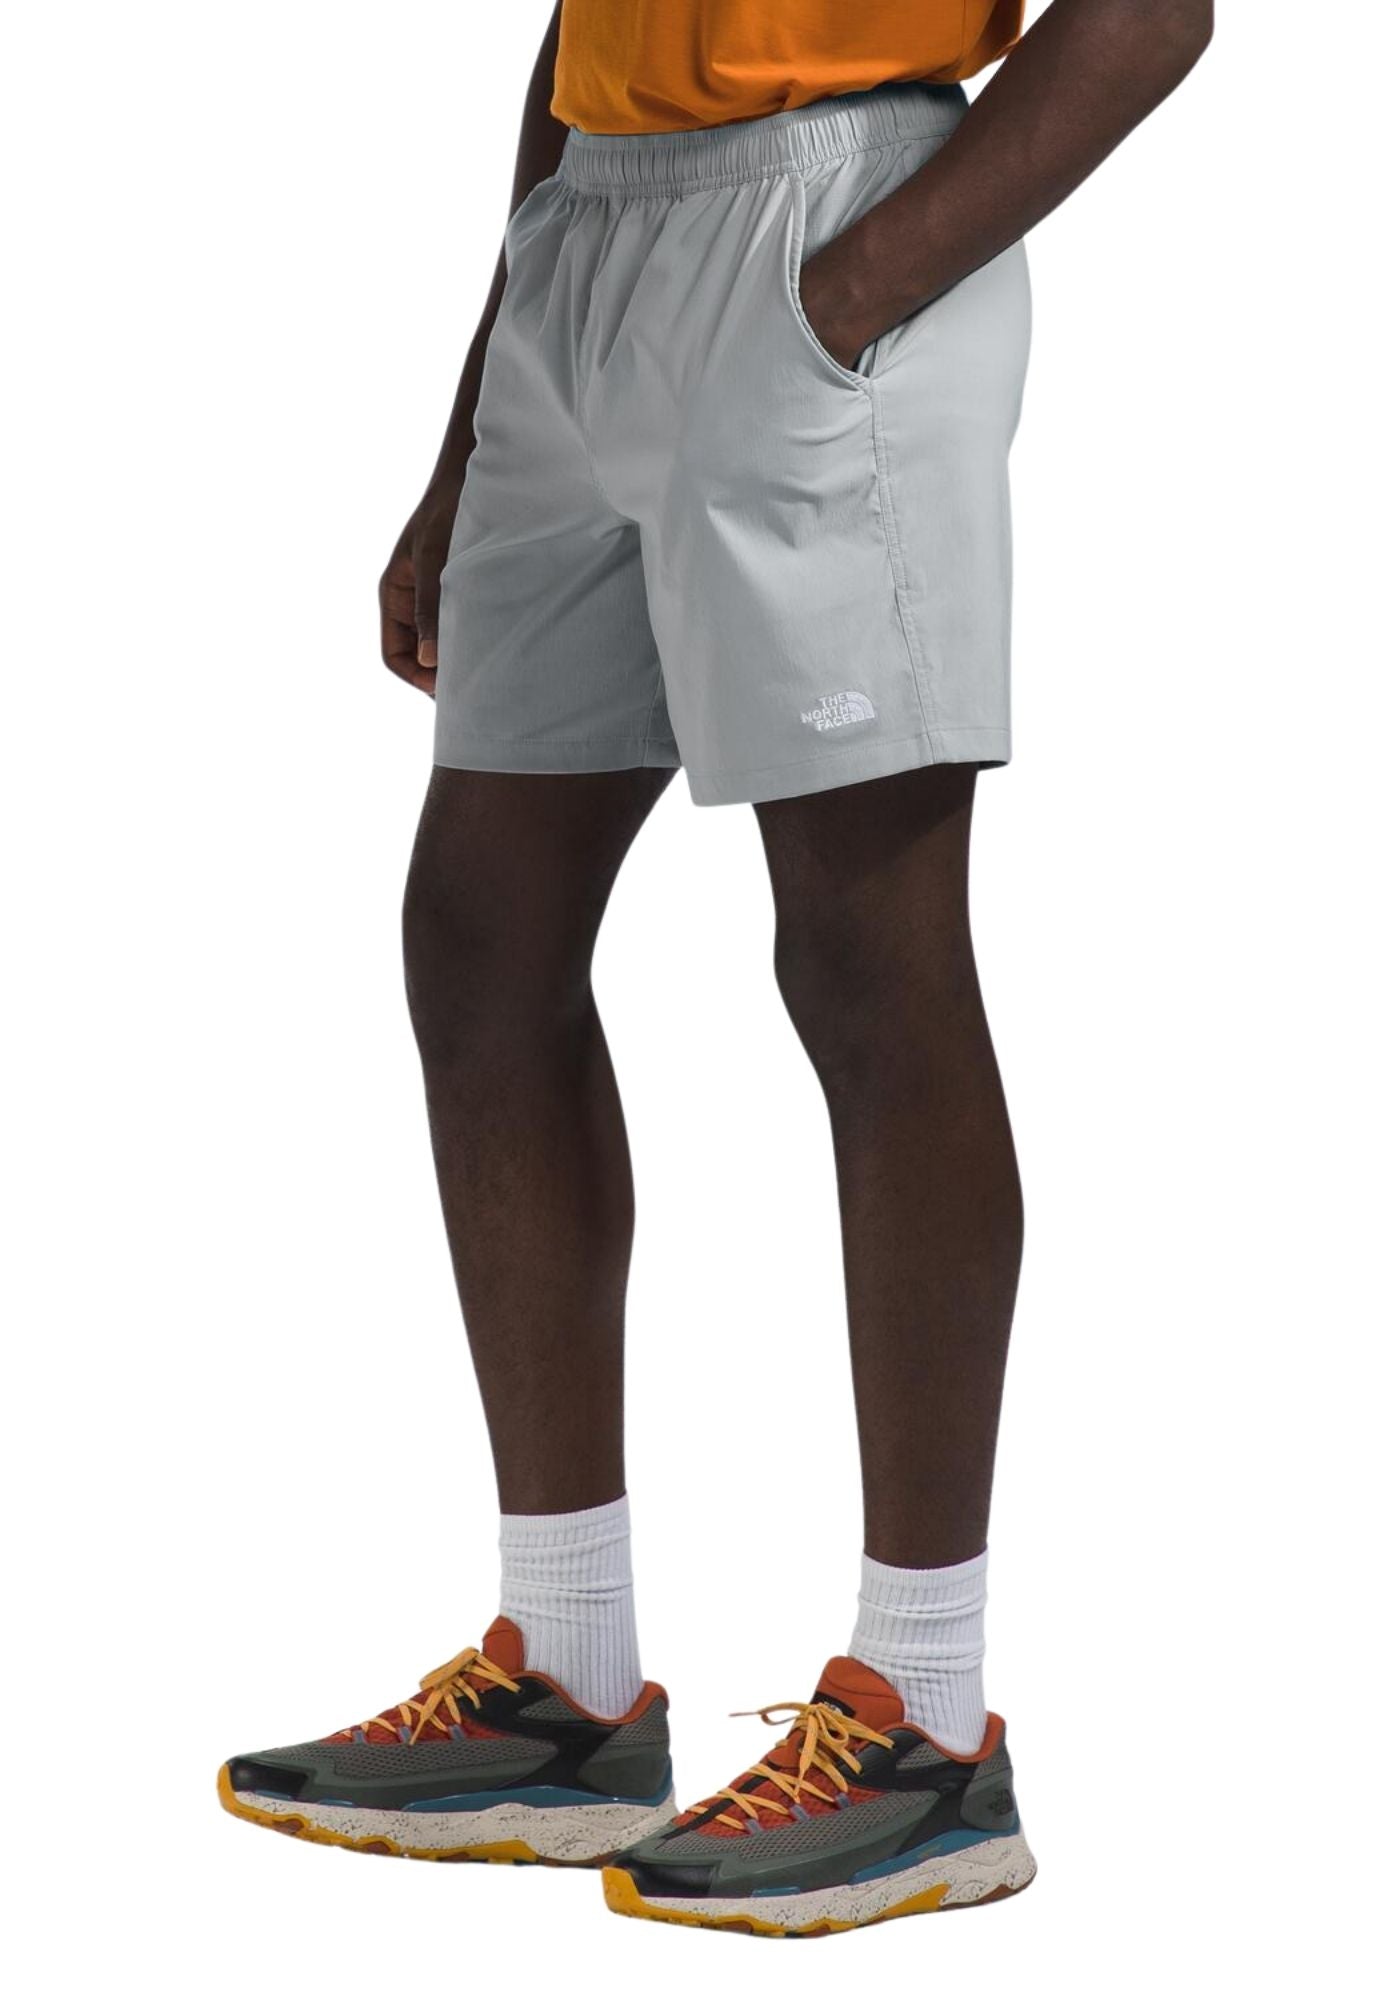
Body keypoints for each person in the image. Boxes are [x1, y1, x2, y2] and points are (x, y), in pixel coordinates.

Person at [219, 0, 1211, 1936]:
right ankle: (565, 1685)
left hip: (834, 219)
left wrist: (850, 291)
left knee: (865, 959)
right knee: (478, 938)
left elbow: (1149, 16)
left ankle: (928, 1727)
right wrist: (475, 414)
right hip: (583, 255)